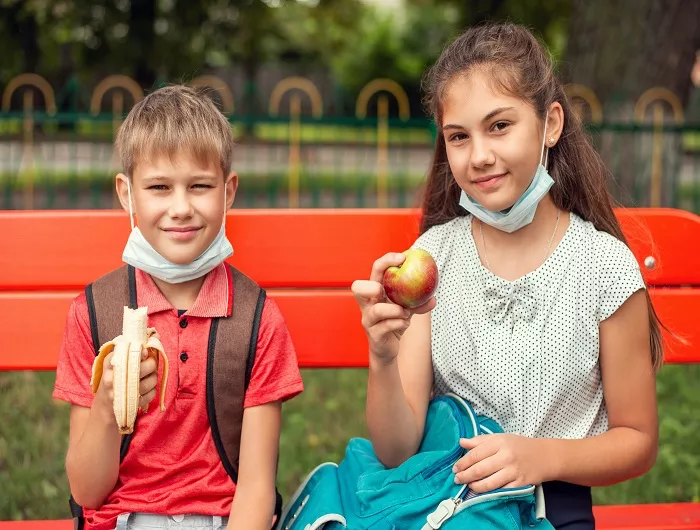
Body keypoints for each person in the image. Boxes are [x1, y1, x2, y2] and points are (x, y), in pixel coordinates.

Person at [351, 22, 661, 530]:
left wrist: (539, 458)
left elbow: (637, 441)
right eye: (458, 136)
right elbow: (394, 451)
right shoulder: (434, 257)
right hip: (443, 500)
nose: (479, 156)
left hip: (552, 505)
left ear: (551, 124)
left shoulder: (604, 267)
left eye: (499, 126)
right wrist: (383, 358)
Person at [52, 85, 304, 530]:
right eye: (159, 187)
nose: (181, 208)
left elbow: (256, 489)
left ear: (228, 192)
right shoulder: (93, 313)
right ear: (127, 194)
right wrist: (109, 404)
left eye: (200, 186)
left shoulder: (257, 320)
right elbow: (86, 491)